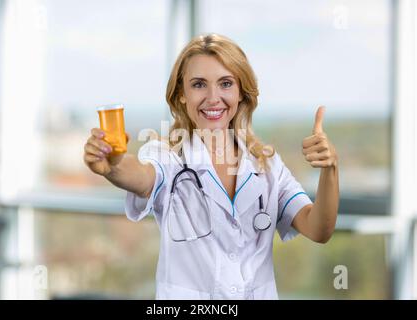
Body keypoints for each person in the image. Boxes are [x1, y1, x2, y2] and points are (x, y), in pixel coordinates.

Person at [83, 33, 339, 299]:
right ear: (181, 94)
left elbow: (319, 229)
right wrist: (112, 166)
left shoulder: (267, 165)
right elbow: (142, 176)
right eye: (199, 85)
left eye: (226, 83)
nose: (213, 97)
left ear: (241, 92)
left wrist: (330, 169)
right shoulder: (169, 157)